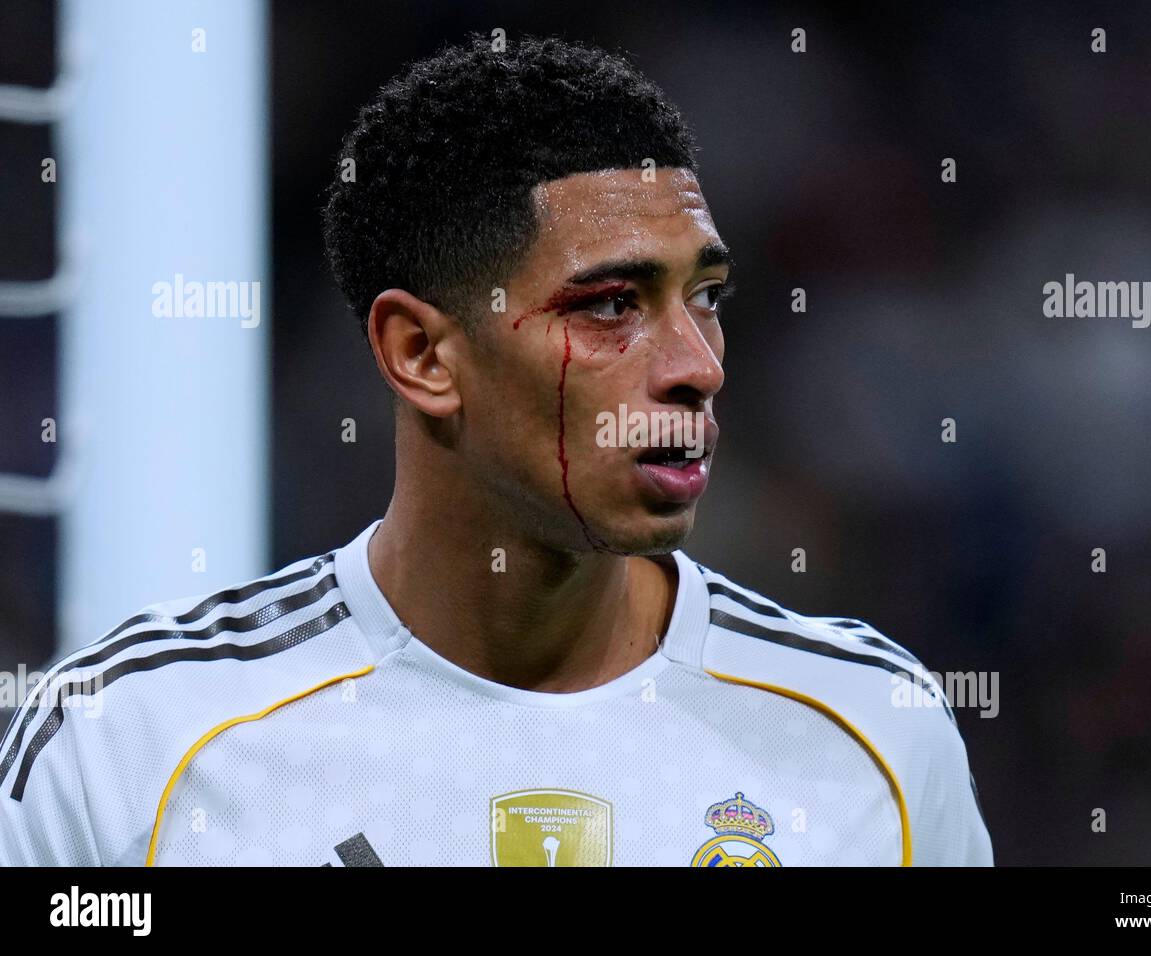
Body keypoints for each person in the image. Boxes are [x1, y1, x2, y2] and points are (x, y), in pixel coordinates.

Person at [0, 32, 991, 867]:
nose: (698, 365)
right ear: (422, 353)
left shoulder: (871, 737)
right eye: (611, 305)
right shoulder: (128, 744)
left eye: (707, 298)